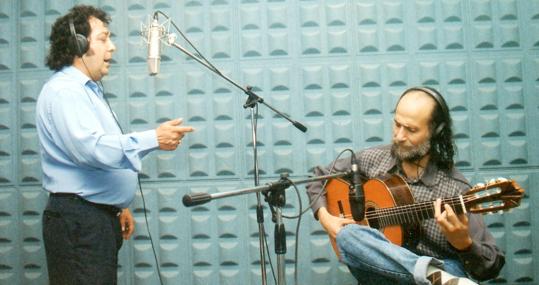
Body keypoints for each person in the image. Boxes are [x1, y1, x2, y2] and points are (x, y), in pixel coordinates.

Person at [36, 5, 194, 284]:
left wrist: (117, 206)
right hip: (79, 222)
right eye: (103, 38)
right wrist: (153, 138)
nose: (113, 47)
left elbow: (98, 154)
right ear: (79, 43)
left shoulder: (86, 91)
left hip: (92, 218)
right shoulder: (65, 92)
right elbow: (91, 150)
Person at [306, 87, 505, 285]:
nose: (399, 136)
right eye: (397, 124)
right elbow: (318, 177)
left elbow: (492, 265)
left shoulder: (456, 188)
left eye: (411, 129)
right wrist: (326, 218)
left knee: (452, 272)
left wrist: (465, 244)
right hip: (387, 277)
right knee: (348, 235)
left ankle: (433, 274)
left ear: (436, 131)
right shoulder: (373, 159)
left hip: (443, 273)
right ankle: (428, 273)